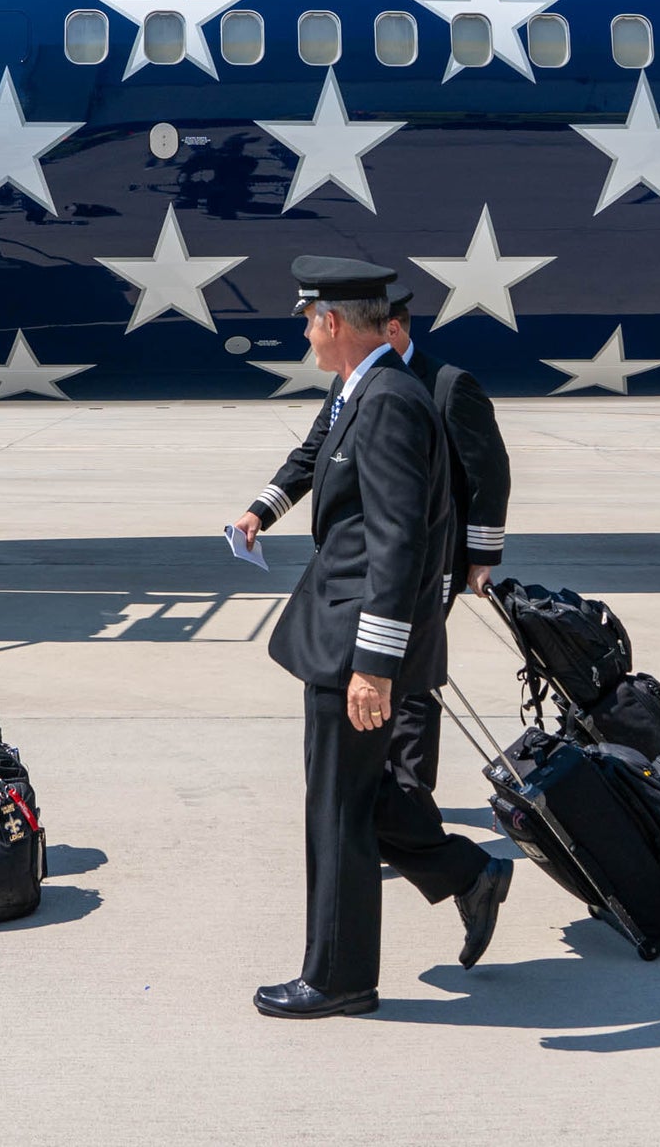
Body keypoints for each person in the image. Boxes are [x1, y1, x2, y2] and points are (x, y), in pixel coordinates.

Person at [248, 257, 511, 1020]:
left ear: (332, 322)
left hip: (353, 644)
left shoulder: (391, 400)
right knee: (361, 800)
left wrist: (373, 664)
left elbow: (399, 542)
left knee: (336, 810)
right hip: (344, 634)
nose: (303, 330)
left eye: (307, 319)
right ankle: (467, 873)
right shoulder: (366, 389)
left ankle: (336, 977)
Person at [235, 283, 514, 804]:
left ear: (398, 327)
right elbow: (315, 449)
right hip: (376, 564)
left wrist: (482, 558)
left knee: (407, 679)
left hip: (429, 563)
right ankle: (379, 803)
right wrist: (263, 509)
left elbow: (487, 475)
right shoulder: (355, 380)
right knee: (382, 675)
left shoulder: (446, 384)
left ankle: (409, 792)